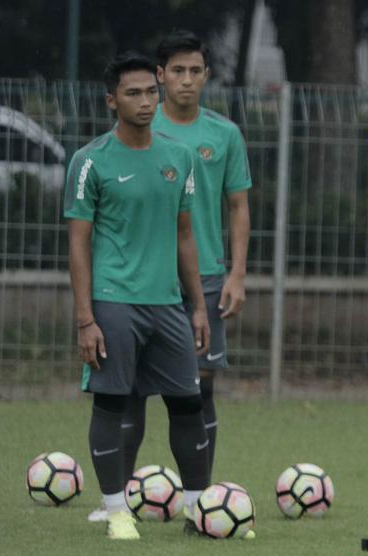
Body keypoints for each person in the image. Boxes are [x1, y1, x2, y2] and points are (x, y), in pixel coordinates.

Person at [98, 29, 253, 523]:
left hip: (205, 278)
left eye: (196, 71)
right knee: (130, 391)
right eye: (178, 71)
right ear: (160, 76)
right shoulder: (137, 127)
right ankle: (117, 498)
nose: (187, 80)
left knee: (198, 390)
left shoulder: (224, 135)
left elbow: (238, 206)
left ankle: (202, 502)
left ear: (207, 76)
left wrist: (237, 274)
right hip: (142, 283)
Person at [65, 52, 215, 541]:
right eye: (133, 93)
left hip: (167, 304)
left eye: (151, 91)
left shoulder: (179, 157)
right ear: (111, 100)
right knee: (112, 404)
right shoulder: (90, 161)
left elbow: (185, 235)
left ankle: (198, 510)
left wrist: (197, 306)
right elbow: (78, 244)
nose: (146, 101)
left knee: (189, 403)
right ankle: (115, 510)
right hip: (114, 302)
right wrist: (85, 318)